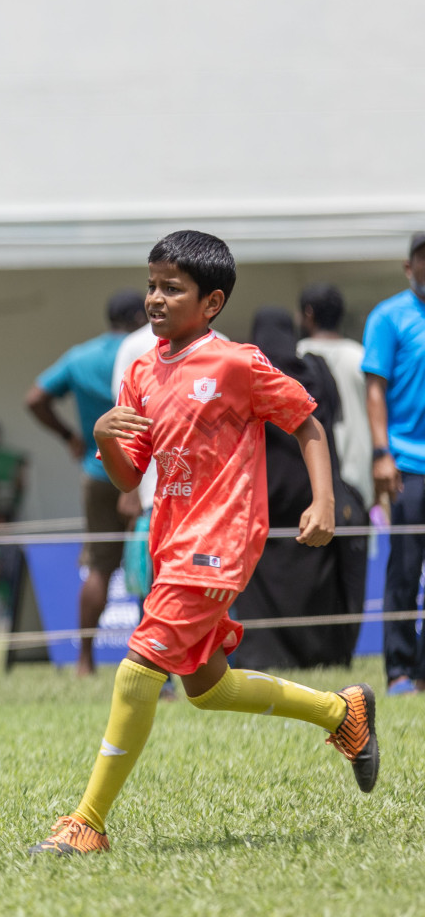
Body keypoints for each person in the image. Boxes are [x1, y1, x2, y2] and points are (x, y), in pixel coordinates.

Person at [31, 230, 377, 857]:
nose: (155, 299)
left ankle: (87, 823)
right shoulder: (140, 370)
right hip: (171, 541)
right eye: (151, 285)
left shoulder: (236, 363)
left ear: (211, 302)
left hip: (218, 544)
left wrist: (323, 501)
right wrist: (105, 436)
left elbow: (306, 421)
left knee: (138, 672)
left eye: (172, 288)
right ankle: (341, 712)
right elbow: (130, 476)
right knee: (208, 688)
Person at [238, 308, 368, 669]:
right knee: (316, 578)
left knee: (257, 584)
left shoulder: (247, 375)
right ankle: (319, 653)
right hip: (311, 495)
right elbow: (330, 420)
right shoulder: (315, 371)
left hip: (259, 498)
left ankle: (258, 654)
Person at [26, 290, 145, 675]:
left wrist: (69, 436)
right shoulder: (148, 350)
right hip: (145, 473)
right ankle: (152, 660)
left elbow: (34, 398)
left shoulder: (81, 356)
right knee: (151, 560)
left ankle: (84, 660)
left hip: (98, 471)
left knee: (98, 566)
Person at [362, 231, 425, 696]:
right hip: (406, 463)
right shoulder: (389, 317)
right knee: (404, 570)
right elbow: (375, 390)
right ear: (409, 267)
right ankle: (400, 671)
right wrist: (382, 453)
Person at [298, 283, 372, 505]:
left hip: (311, 474)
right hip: (358, 469)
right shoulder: (360, 356)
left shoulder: (297, 355)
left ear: (308, 313)